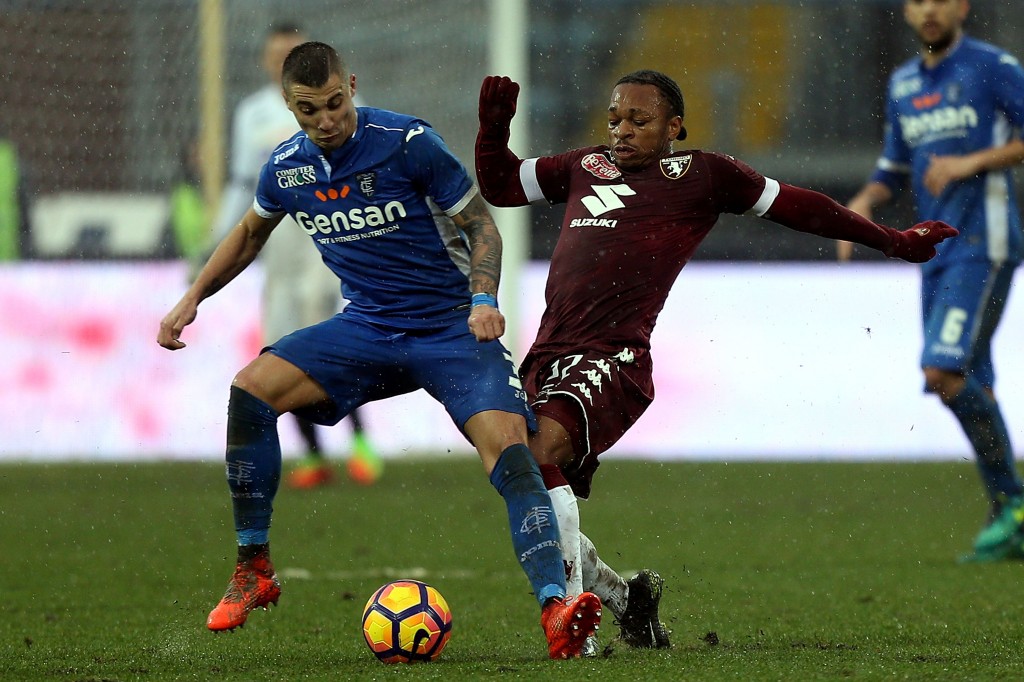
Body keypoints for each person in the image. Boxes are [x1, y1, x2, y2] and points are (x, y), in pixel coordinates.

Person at [475, 71, 957, 649]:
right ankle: (625, 600)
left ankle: (571, 627)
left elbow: (801, 206)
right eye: (615, 118)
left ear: (674, 126)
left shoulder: (703, 175)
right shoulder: (585, 166)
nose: (622, 130)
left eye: (639, 120)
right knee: (525, 479)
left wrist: (892, 240)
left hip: (614, 355)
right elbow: (502, 185)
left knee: (542, 452)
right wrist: (494, 128)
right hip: (548, 351)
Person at [157, 41, 602, 660]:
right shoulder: (285, 169)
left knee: (511, 450)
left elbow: (481, 225)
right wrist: (192, 298)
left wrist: (482, 298)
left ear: (352, 86)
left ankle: (554, 608)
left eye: (334, 103)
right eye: (308, 110)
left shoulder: (407, 142)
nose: (326, 120)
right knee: (250, 389)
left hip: (452, 327)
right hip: (367, 328)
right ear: (289, 106)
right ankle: (253, 568)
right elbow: (249, 235)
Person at [842, 0, 1024, 562]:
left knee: (942, 371)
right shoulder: (903, 83)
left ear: (961, 6)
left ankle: (1016, 503)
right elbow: (893, 167)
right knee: (971, 382)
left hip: (984, 242)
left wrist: (971, 163)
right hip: (937, 252)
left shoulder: (992, 65)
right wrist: (863, 202)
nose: (929, 9)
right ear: (907, 10)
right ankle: (1010, 515)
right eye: (919, 0)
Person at [206, 23, 380, 489]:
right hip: (278, 245)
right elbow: (243, 182)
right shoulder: (252, 113)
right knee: (284, 343)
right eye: (276, 55)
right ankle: (315, 456)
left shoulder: (338, 101)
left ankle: (360, 441)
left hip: (326, 234)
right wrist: (217, 237)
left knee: (329, 338)